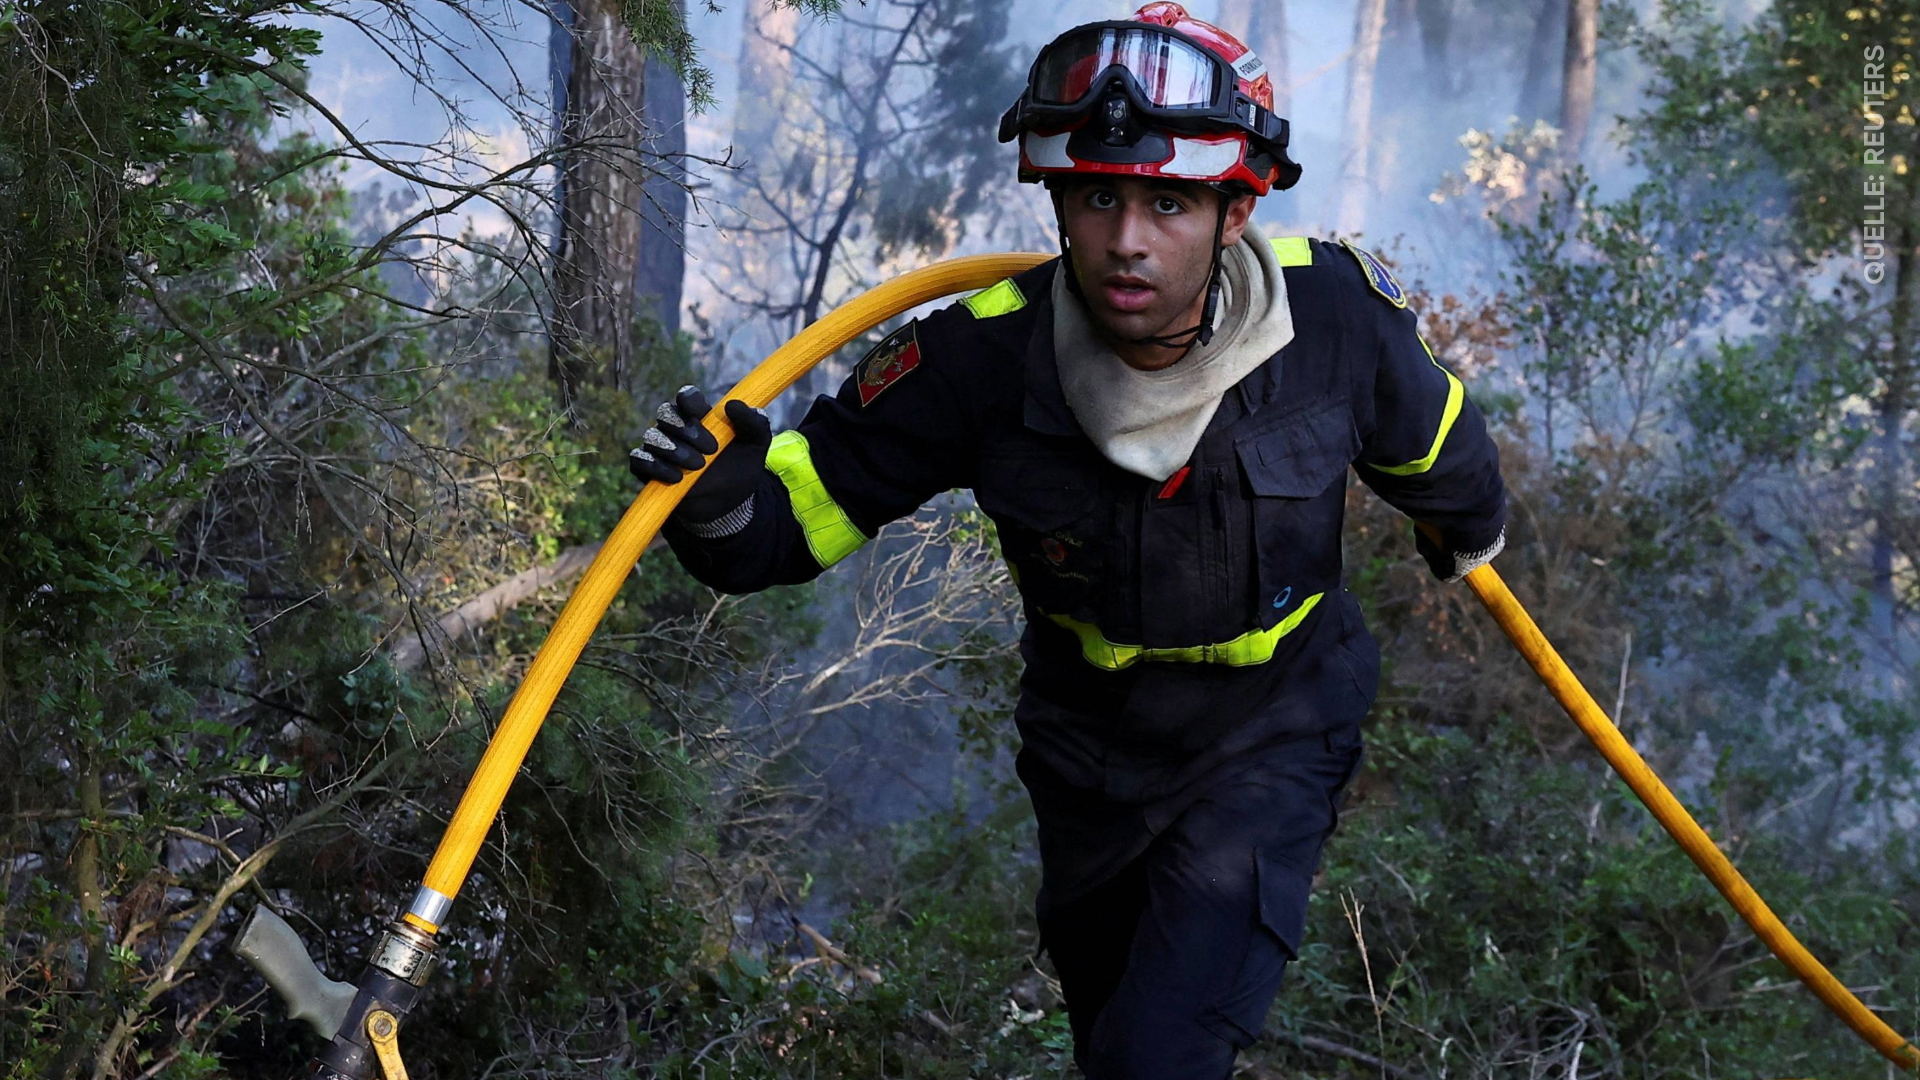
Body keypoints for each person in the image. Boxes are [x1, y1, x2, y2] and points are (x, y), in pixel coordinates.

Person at [627, 4, 1506, 1075]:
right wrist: (717, 495)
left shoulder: (1330, 322)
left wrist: (1465, 531)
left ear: (1238, 210)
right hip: (1089, 757)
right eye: (1096, 196)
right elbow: (786, 529)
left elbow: (1448, 459)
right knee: (1112, 1043)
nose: (1127, 241)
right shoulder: (976, 360)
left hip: (1270, 734)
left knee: (1157, 1058)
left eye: (1169, 203)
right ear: (1055, 197)